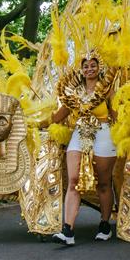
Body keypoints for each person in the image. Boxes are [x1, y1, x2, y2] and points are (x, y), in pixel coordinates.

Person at [48, 57, 117, 246]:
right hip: (79, 135)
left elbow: (117, 115)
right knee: (73, 181)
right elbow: (59, 116)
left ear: (99, 68)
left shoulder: (107, 89)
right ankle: (67, 230)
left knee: (103, 183)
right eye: (85, 66)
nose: (89, 69)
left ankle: (104, 225)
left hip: (103, 134)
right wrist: (40, 117)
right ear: (81, 70)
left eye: (93, 65)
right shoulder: (74, 93)